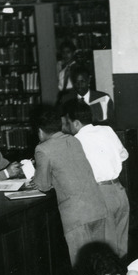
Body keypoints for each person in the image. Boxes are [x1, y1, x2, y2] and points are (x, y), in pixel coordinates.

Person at [31, 105, 107, 266]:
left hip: (76, 215)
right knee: (99, 261)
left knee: (82, 264)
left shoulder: (42, 149)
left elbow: (42, 185)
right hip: (97, 207)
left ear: (40, 131)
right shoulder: (73, 140)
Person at [64, 100, 131, 256]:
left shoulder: (75, 141)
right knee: (121, 247)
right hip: (119, 192)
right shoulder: (107, 130)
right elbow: (123, 155)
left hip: (100, 195)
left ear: (76, 123)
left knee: (106, 248)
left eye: (67, 123)